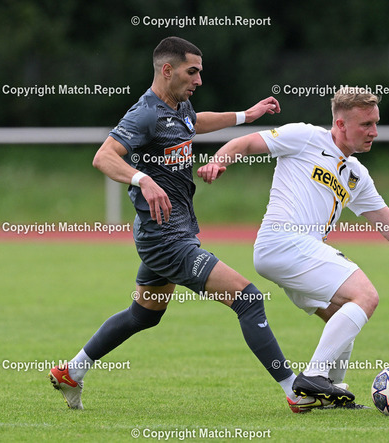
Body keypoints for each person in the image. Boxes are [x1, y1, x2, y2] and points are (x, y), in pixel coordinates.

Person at [49, 36, 316, 413]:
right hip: (166, 239)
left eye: (200, 72)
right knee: (249, 299)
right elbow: (103, 157)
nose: (199, 80)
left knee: (143, 315)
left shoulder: (179, 106)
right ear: (167, 70)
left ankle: (71, 372)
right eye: (192, 72)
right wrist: (142, 179)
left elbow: (195, 122)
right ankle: (295, 391)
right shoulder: (145, 114)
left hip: (167, 232)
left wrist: (245, 116)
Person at [197, 87, 389, 409]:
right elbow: (244, 143)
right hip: (283, 240)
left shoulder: (357, 175)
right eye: (366, 124)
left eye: (375, 123)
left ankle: (329, 396)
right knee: (366, 296)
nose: (374, 131)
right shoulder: (305, 137)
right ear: (340, 124)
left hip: (295, 251)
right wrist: (217, 161)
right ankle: (315, 375)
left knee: (342, 316)